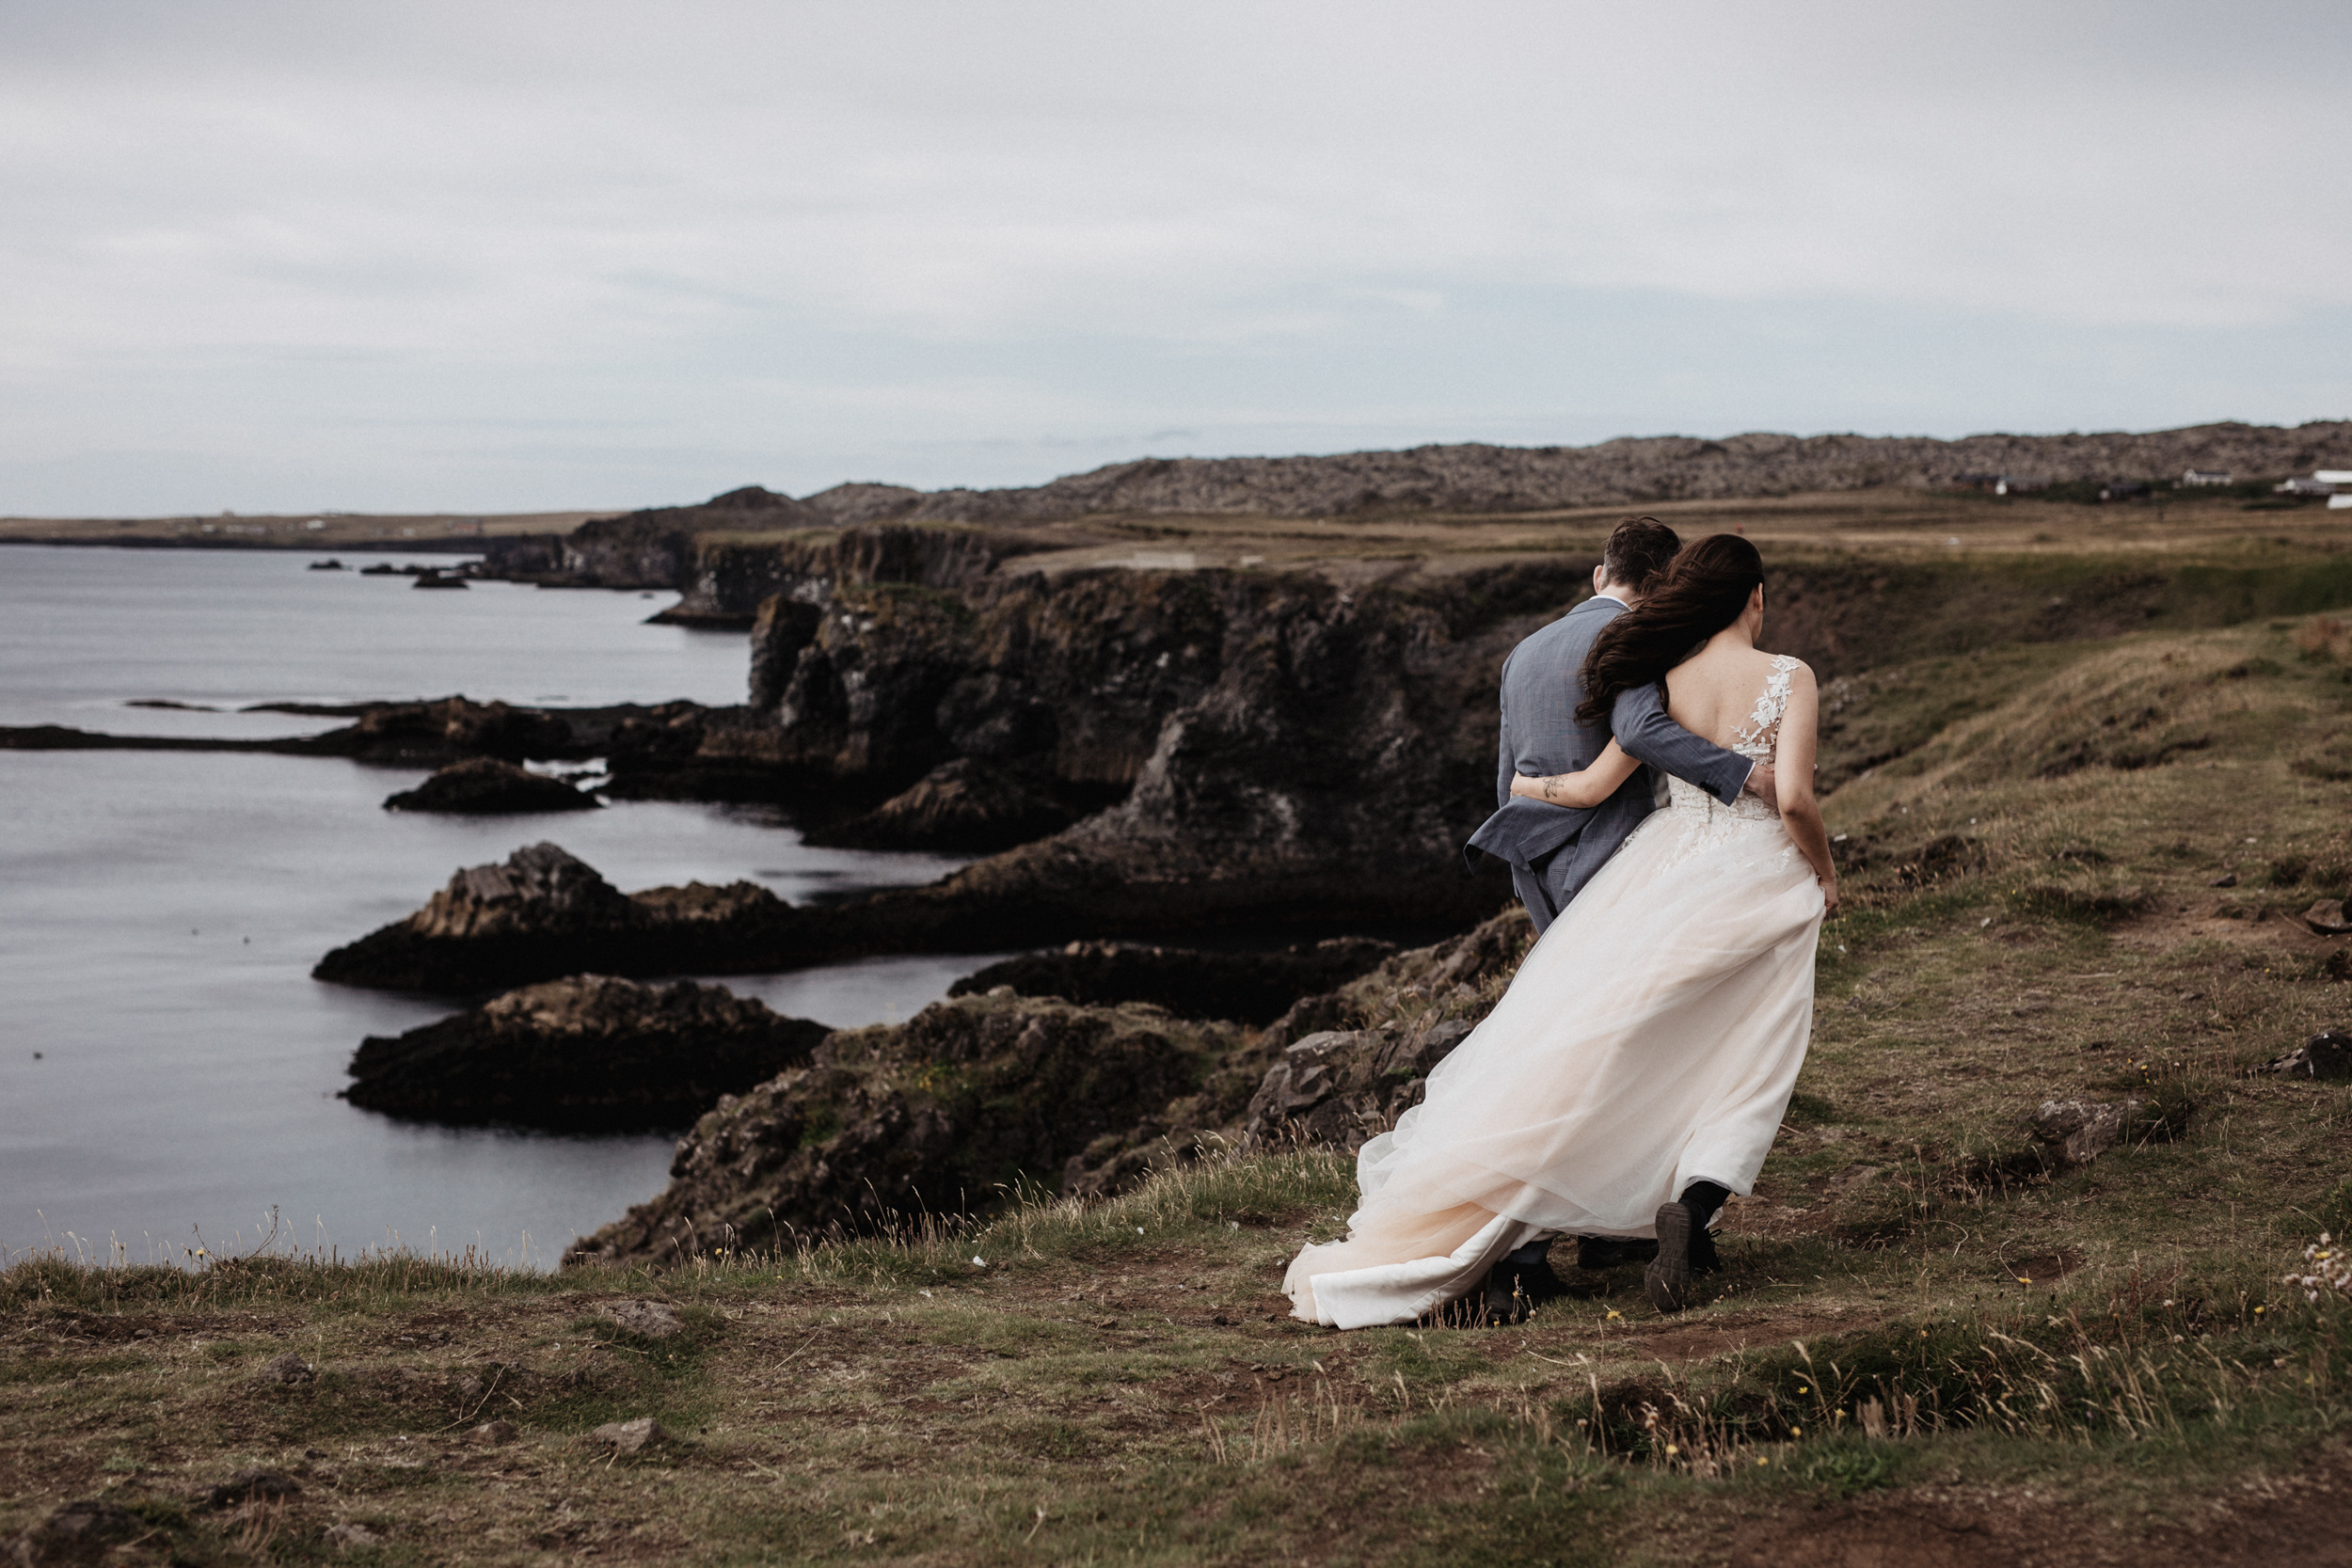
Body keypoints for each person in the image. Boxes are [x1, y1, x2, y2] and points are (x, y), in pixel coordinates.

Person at [1284, 534, 1836, 1325]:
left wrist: (1524, 793)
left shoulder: (1614, 664)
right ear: (1753, 597)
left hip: (1641, 872)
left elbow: (1583, 781)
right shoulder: (1784, 675)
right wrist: (1822, 868)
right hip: (1745, 875)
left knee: (1601, 1045)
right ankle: (1684, 1201)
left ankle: (1626, 1219)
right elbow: (1793, 800)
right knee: (1749, 1048)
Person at [1463, 516, 1774, 1318]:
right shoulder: (1639, 643)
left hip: (1541, 870)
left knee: (1580, 1050)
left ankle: (1606, 1229)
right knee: (1619, 1059)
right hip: (1616, 871)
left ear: (1600, 571)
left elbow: (1508, 780)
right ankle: (1530, 1247)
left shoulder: (1522, 652)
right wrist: (1746, 775)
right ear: (1662, 583)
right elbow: (1641, 733)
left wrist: (1531, 882)